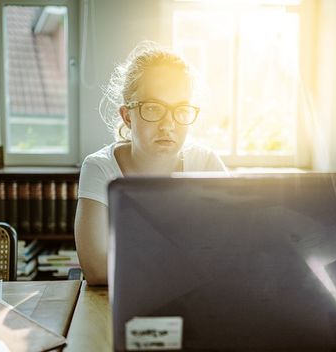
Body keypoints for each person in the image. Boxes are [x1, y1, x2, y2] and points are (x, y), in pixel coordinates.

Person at [75, 42, 227, 285]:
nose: (168, 125)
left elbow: (233, 251)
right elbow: (96, 267)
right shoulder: (99, 168)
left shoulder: (206, 163)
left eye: (181, 109)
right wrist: (192, 263)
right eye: (154, 108)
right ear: (127, 116)